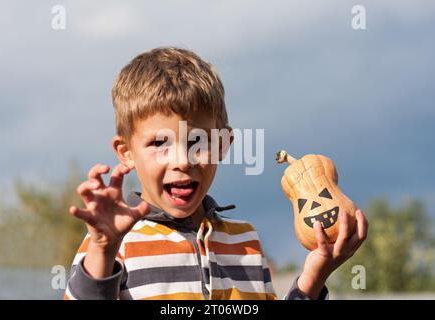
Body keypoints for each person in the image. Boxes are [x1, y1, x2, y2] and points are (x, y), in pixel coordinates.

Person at [64, 47, 368, 300]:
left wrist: (313, 278)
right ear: (126, 152)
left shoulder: (246, 242)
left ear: (223, 144)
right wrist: (103, 249)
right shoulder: (114, 243)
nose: (182, 160)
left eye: (198, 141)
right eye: (160, 143)